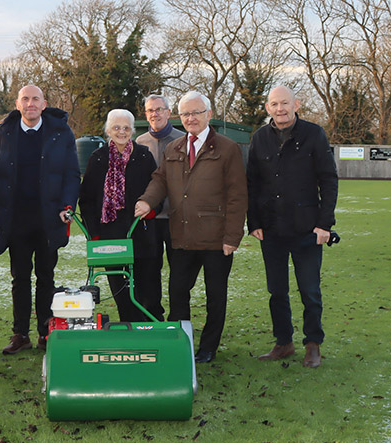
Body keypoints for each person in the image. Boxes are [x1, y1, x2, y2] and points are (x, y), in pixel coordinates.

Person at [135, 91, 247, 364]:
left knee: (215, 295)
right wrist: (146, 201)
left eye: (196, 112)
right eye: (185, 114)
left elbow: (238, 195)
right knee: (177, 293)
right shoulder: (174, 149)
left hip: (216, 238)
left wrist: (232, 237)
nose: (191, 118)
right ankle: (180, 343)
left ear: (209, 114)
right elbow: (160, 180)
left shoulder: (228, 148)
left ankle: (209, 347)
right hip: (182, 236)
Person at [247, 85, 338, 368]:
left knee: (309, 290)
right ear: (268, 108)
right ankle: (283, 342)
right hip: (271, 230)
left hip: (307, 230)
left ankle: (313, 344)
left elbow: (329, 180)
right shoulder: (260, 138)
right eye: (274, 104)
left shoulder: (313, 134)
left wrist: (324, 224)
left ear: (296, 104)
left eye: (285, 103)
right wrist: (254, 222)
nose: (280, 109)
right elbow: (252, 183)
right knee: (277, 291)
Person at [0, 85, 80, 354]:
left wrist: (67, 206)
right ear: (18, 104)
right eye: (25, 99)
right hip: (16, 219)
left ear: (44, 104)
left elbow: (71, 174)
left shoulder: (60, 132)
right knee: (19, 278)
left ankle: (45, 332)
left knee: (46, 277)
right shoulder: (3, 132)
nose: (30, 104)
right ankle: (20, 334)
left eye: (35, 99)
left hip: (48, 218)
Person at [79, 109, 162, 322]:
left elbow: (158, 189)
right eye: (116, 127)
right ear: (108, 130)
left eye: (126, 128)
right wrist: (94, 234)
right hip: (109, 236)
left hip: (140, 232)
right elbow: (87, 199)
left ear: (132, 130)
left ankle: (149, 328)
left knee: (146, 286)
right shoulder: (98, 159)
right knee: (119, 288)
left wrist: (151, 210)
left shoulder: (144, 156)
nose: (122, 132)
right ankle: (128, 326)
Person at [135, 94, 184, 293]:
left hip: (175, 216)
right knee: (149, 271)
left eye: (159, 109)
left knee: (179, 272)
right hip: (149, 218)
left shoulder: (182, 139)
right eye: (150, 110)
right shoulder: (140, 142)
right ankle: (152, 316)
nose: (155, 114)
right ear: (146, 115)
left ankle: (178, 315)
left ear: (168, 113)